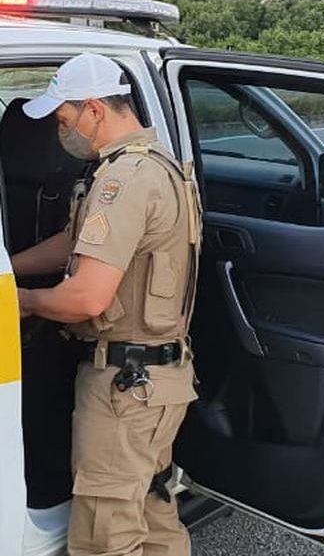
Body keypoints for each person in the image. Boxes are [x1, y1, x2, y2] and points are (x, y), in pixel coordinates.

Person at [14, 53, 201, 556]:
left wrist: (19, 301)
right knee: (152, 512)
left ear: (94, 109)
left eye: (63, 119)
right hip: (157, 382)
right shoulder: (153, 165)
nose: (62, 131)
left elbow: (86, 297)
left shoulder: (124, 180)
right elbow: (73, 242)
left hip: (123, 389)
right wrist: (10, 266)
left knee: (105, 537)